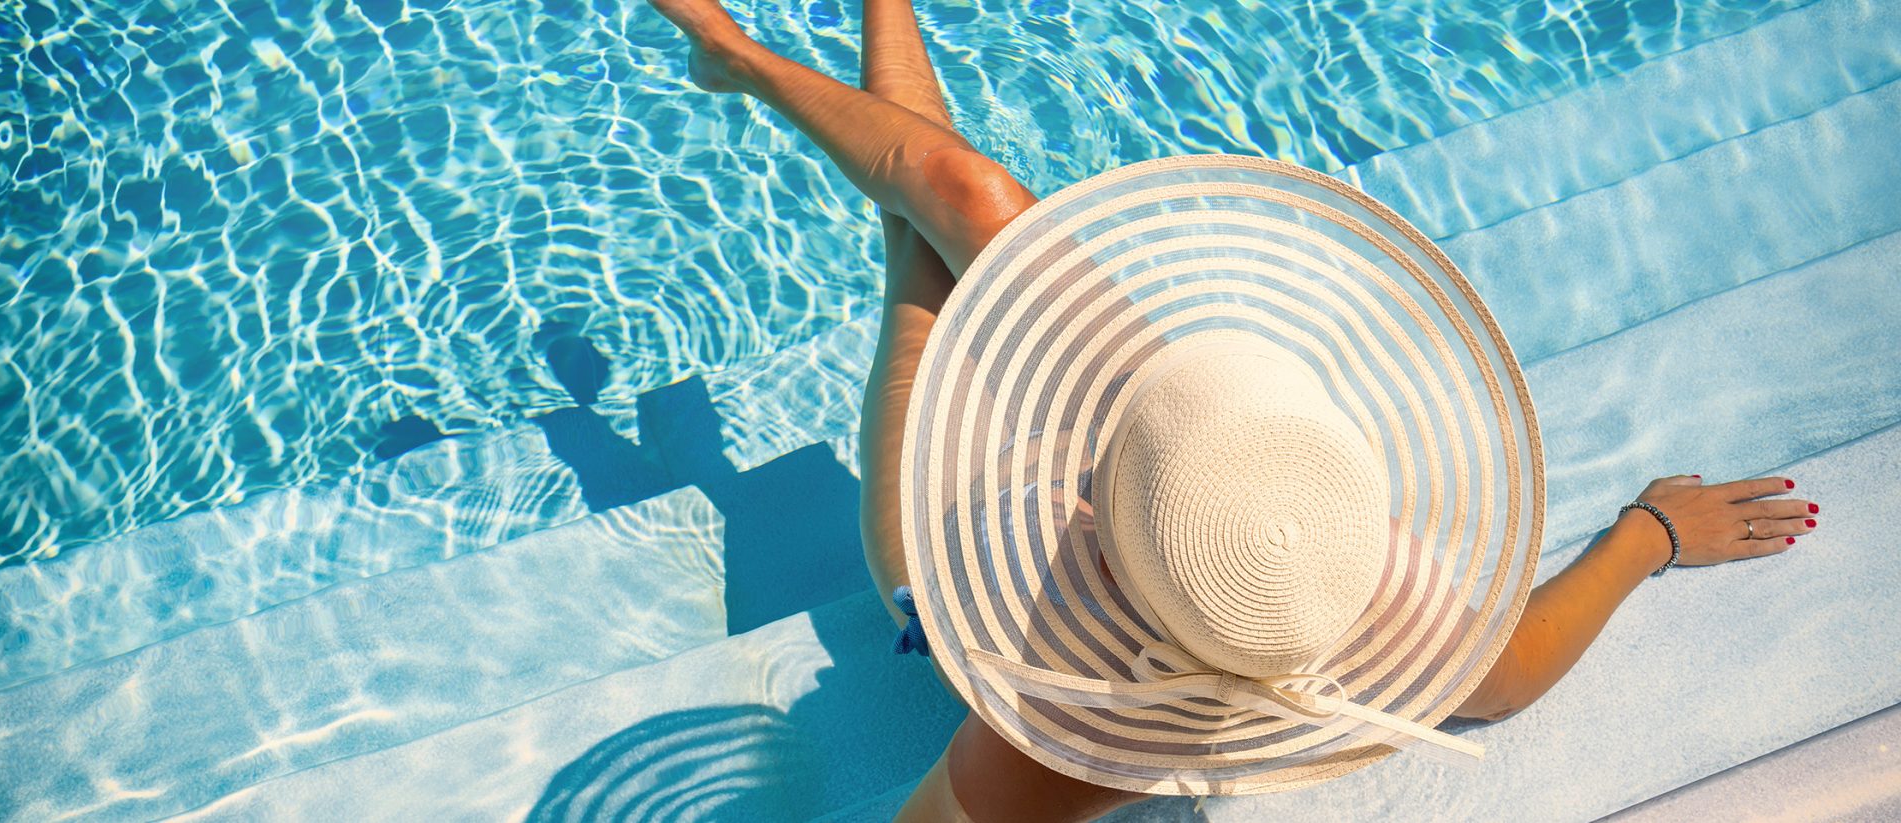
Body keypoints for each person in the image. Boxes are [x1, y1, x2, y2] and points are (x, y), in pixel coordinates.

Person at [640, 1, 1821, 819]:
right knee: (963, 192)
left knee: (924, 267)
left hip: (947, 538)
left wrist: (1649, 531)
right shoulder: (1303, 537)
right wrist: (1646, 537)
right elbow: (1504, 673)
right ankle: (782, 49)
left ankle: (749, 60)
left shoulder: (1063, 748)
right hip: (1176, 455)